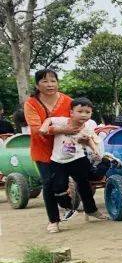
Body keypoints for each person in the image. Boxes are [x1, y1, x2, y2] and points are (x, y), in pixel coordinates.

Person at [22, 68, 77, 233]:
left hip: (65, 149)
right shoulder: (31, 104)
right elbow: (37, 128)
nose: (50, 84)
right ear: (37, 85)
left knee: (59, 184)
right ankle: (53, 221)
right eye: (45, 81)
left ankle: (68, 204)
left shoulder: (68, 101)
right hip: (42, 149)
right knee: (48, 183)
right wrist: (62, 129)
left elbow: (78, 120)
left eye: (53, 80)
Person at [41, 96, 106, 224]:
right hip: (58, 161)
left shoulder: (87, 127)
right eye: (80, 111)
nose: (84, 115)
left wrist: (95, 151)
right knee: (58, 187)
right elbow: (49, 120)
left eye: (88, 112)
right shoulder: (62, 122)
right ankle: (68, 208)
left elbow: (88, 139)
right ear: (71, 112)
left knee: (87, 183)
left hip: (78, 158)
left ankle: (91, 209)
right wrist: (44, 126)